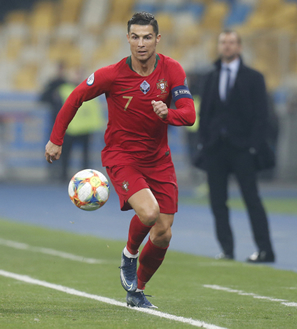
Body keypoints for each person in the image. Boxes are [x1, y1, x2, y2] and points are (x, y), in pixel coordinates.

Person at [45, 12, 195, 309]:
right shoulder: (111, 75)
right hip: (122, 157)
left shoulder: (172, 70)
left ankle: (136, 290)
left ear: (157, 39)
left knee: (164, 233)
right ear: (128, 39)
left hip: (159, 160)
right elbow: (75, 97)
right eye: (135, 37)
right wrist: (56, 139)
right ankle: (128, 254)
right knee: (150, 214)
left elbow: (189, 115)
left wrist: (169, 114)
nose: (141, 44)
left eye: (147, 37)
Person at [195, 30, 275, 263]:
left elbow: (262, 115)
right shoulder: (210, 77)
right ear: (219, 46)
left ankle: (265, 250)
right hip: (216, 149)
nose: (227, 47)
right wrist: (205, 142)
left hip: (242, 149)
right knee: (217, 202)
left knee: (252, 199)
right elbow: (205, 113)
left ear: (239, 47)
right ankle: (227, 249)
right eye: (223, 42)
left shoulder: (254, 77)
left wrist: (253, 146)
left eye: (231, 43)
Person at [58, 70, 105, 182]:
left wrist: (98, 125)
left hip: (85, 128)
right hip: (70, 128)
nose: (77, 76)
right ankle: (63, 176)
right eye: (75, 73)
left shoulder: (89, 89)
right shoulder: (63, 89)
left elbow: (94, 109)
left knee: (85, 156)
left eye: (78, 73)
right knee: (66, 154)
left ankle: (85, 177)